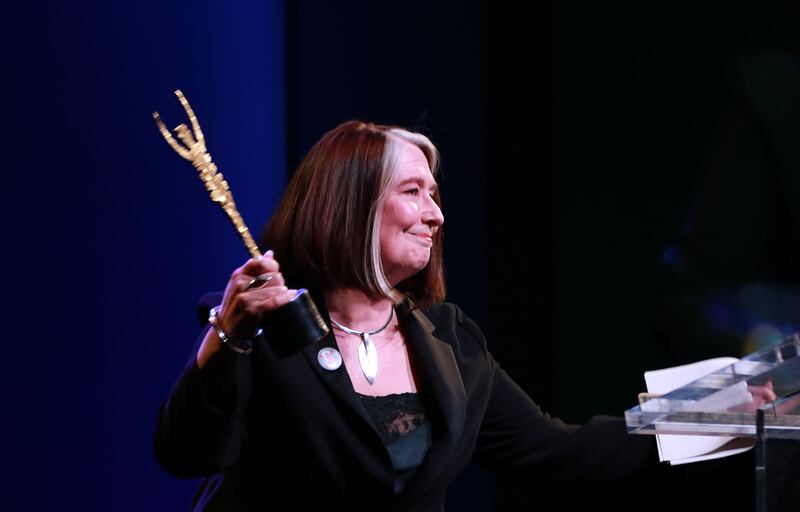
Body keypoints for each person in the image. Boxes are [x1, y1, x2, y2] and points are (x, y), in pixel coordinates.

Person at [153, 120, 659, 511]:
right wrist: (230, 336)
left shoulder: (451, 341)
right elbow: (186, 454)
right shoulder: (258, 330)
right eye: (414, 191)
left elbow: (559, 451)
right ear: (352, 205)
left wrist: (718, 407)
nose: (436, 213)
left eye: (434, 195)